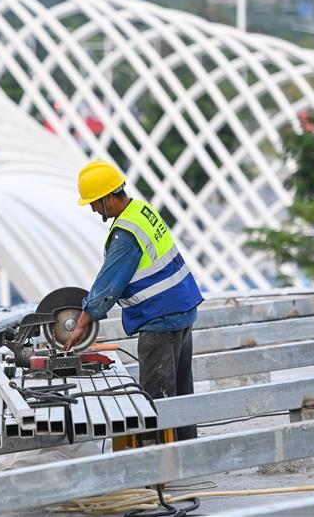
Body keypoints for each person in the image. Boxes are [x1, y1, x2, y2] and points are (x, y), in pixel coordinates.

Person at [63, 160, 202, 440]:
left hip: (160, 318)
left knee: (156, 399)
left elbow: (109, 284)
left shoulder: (126, 233)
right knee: (182, 393)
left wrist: (83, 321)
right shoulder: (141, 211)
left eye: (93, 202)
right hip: (182, 308)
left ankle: (159, 464)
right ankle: (187, 452)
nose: (91, 208)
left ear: (107, 198)